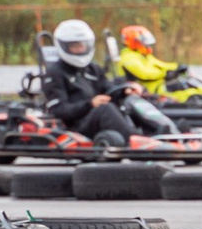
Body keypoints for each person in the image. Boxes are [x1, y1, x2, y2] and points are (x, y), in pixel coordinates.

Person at [41, 17, 141, 145]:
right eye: (74, 46)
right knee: (105, 109)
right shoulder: (55, 73)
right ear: (63, 46)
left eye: (82, 45)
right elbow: (59, 110)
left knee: (131, 101)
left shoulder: (92, 69)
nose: (79, 49)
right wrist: (90, 104)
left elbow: (109, 89)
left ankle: (158, 133)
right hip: (75, 127)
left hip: (93, 118)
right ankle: (135, 140)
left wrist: (125, 91)